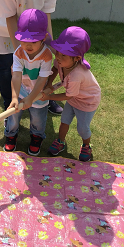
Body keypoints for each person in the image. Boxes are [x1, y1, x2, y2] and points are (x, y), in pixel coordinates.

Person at [42, 25, 100, 161]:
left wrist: (49, 97)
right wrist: (49, 83)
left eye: (63, 55)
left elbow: (68, 95)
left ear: (77, 58)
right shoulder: (61, 62)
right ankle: (60, 142)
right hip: (74, 97)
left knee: (82, 128)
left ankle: (86, 146)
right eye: (58, 52)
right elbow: (55, 68)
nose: (58, 57)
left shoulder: (76, 75)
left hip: (87, 101)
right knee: (64, 121)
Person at [3, 8, 55, 155]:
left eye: (33, 41)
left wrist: (31, 98)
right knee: (13, 114)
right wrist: (15, 97)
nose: (28, 46)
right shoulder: (19, 52)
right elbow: (16, 75)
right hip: (21, 90)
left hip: (38, 93)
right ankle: (11, 134)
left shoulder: (46, 55)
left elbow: (42, 79)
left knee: (38, 118)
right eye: (24, 40)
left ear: (44, 38)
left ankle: (36, 137)